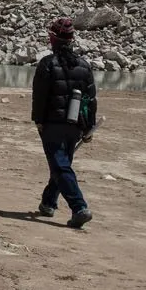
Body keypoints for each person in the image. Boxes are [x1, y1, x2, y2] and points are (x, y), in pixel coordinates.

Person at [29, 17, 97, 228]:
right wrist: (89, 127)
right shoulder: (84, 66)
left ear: (53, 39)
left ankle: (79, 207)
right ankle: (48, 202)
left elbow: (39, 96)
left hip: (52, 123)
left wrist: (38, 120)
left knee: (60, 166)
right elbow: (91, 99)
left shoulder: (48, 64)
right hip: (76, 124)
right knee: (62, 164)